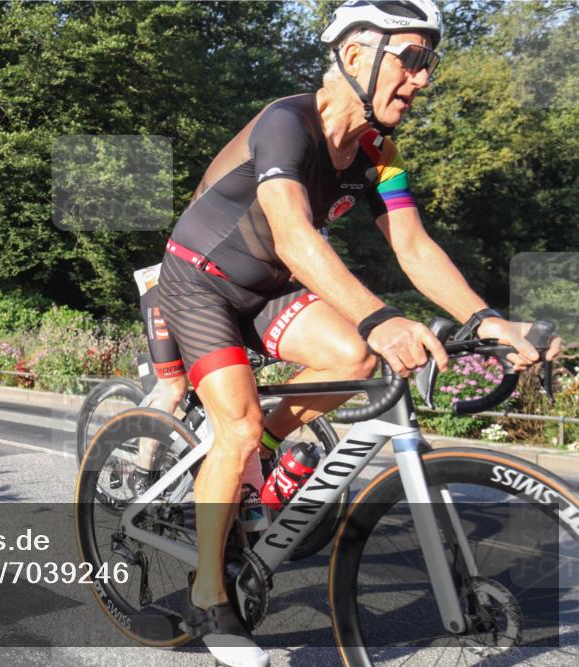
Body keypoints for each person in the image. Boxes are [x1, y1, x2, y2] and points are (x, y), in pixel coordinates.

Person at [154, 2, 562, 665]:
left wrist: (486, 319)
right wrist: (380, 316)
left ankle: (237, 460)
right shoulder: (290, 123)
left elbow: (413, 245)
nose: (423, 79)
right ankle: (208, 593)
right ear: (353, 56)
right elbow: (290, 231)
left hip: (266, 288)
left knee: (352, 359)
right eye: (412, 59)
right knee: (242, 421)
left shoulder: (379, 151)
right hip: (200, 278)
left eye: (430, 63)